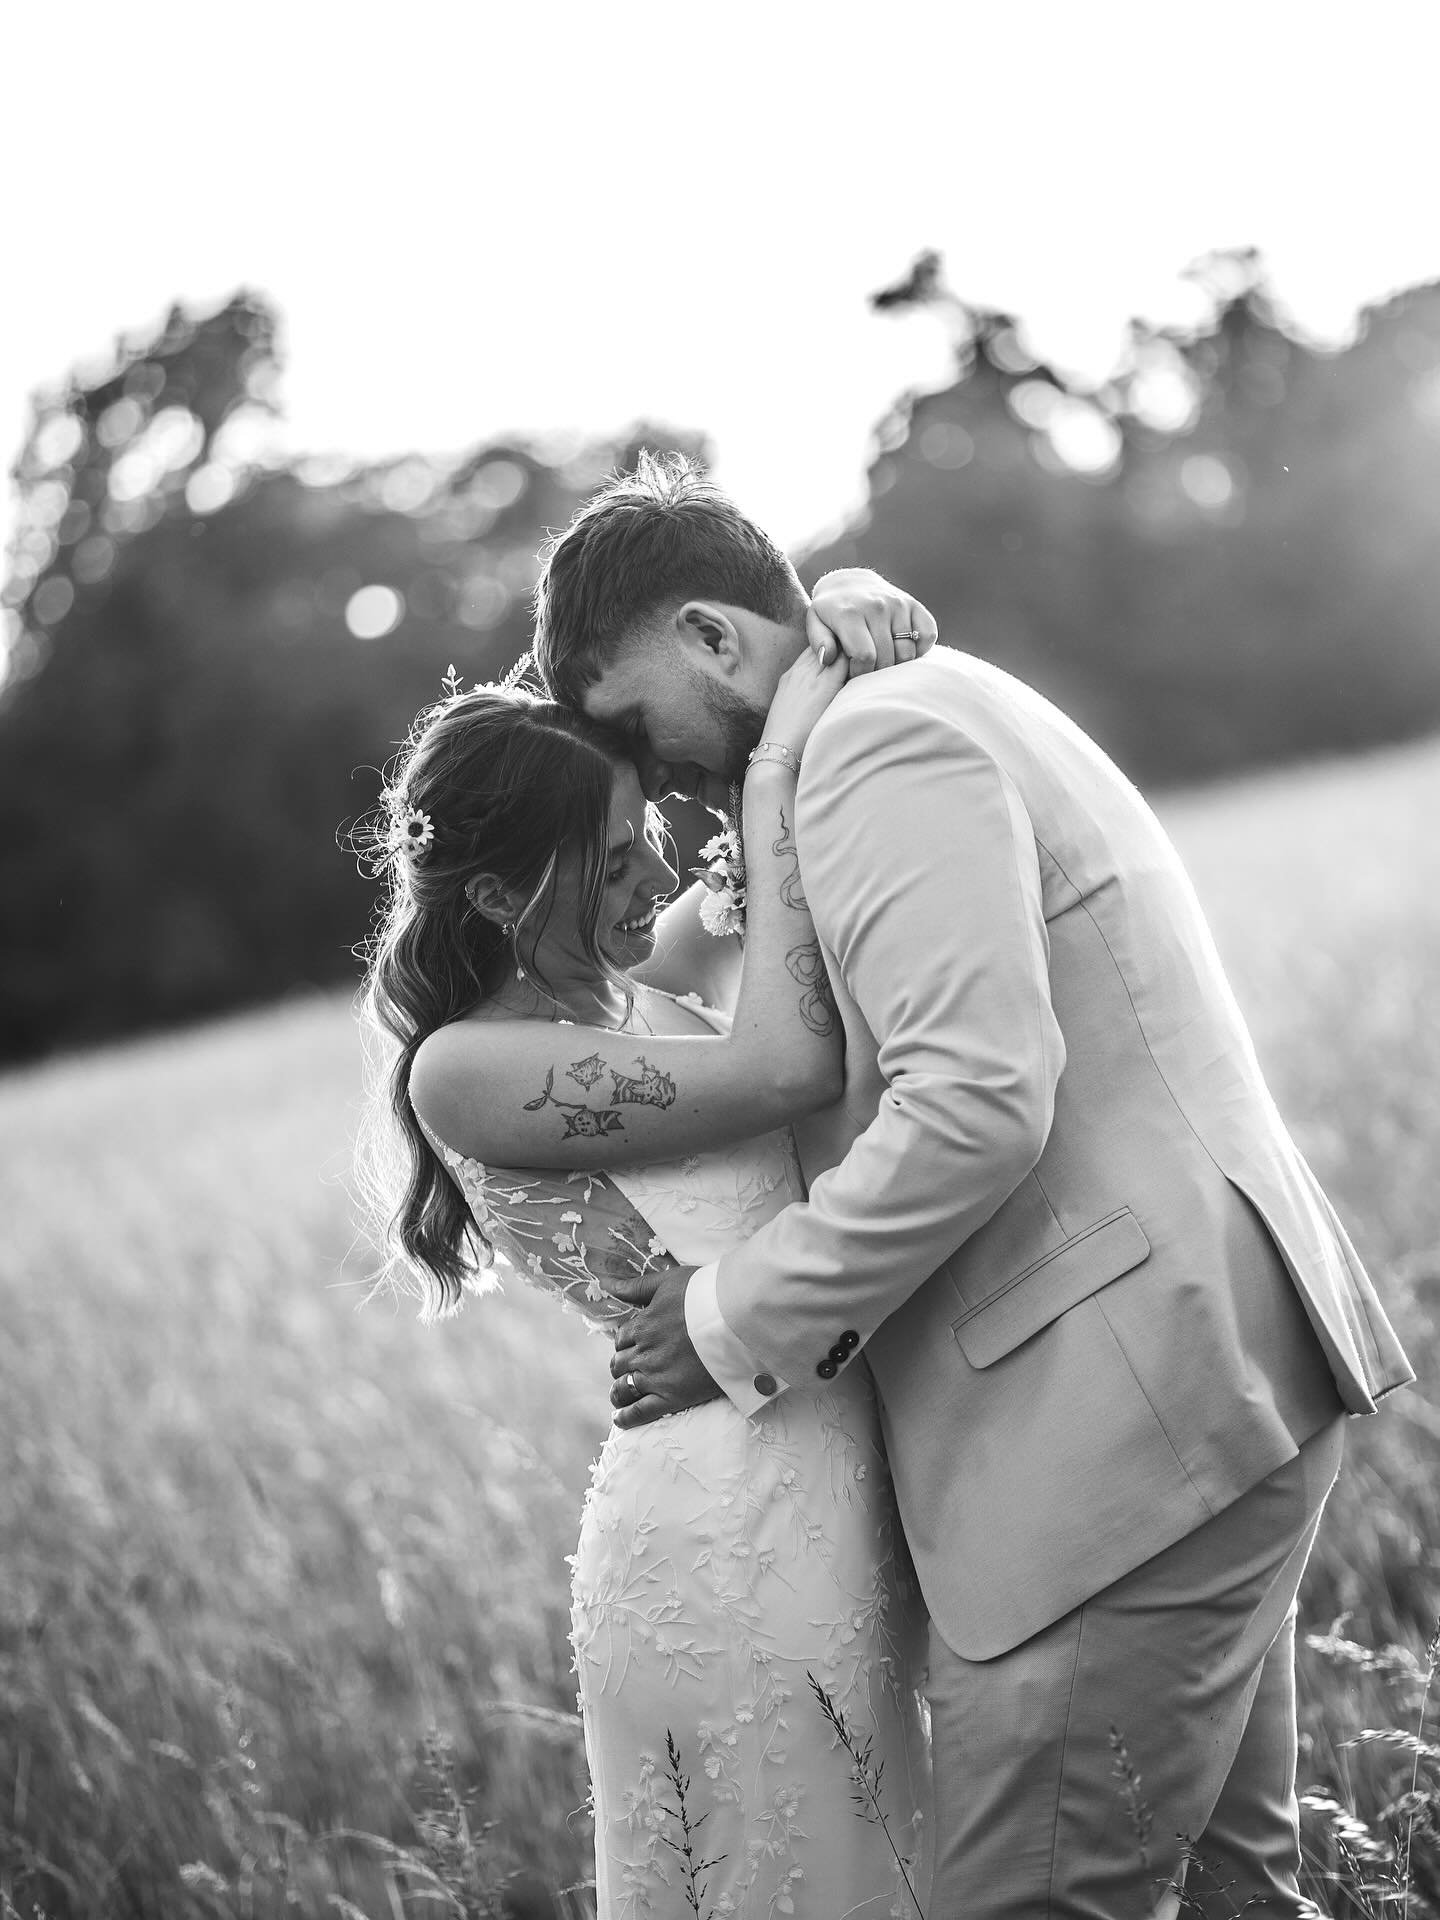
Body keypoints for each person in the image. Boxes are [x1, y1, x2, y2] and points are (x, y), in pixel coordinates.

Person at [531, 452, 1416, 1919]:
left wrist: (721, 1320)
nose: (653, 775)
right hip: (1184, 1394)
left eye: (637, 724)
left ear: (710, 633)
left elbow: (976, 1105)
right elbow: (666, 951)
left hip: (1113, 1437)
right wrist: (771, 745)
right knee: (1241, 1896)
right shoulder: (874, 725)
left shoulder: (880, 744)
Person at [358, 577, 938, 1917]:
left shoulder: (637, 975)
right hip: (723, 1527)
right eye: (615, 860)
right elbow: (790, 1061)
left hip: (833, 1480)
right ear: (503, 893)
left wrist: (830, 610)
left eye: (647, 837)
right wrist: (789, 739)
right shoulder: (468, 1071)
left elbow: (753, 860)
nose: (659, 876)